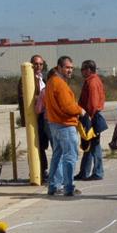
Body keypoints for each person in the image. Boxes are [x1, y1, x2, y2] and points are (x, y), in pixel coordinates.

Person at [42, 55, 87, 196]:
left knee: (57, 156)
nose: (70, 70)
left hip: (54, 124)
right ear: (59, 67)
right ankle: (68, 186)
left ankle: (53, 186)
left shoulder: (50, 82)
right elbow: (68, 107)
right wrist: (81, 111)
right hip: (65, 125)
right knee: (70, 156)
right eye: (67, 67)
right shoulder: (60, 84)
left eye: (71, 68)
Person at [16, 55, 49, 184]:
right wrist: (42, 98)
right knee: (35, 145)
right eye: (36, 64)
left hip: (43, 116)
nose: (38, 67)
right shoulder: (26, 78)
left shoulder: (43, 78)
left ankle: (43, 169)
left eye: (41, 64)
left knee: (42, 144)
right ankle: (36, 171)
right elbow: (25, 97)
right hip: (33, 117)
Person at [75, 59, 106, 181]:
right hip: (91, 116)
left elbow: (93, 103)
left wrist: (89, 118)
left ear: (88, 69)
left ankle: (98, 172)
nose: (81, 71)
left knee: (94, 146)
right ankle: (84, 172)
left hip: (91, 117)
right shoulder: (95, 80)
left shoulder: (92, 82)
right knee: (88, 145)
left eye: (83, 69)